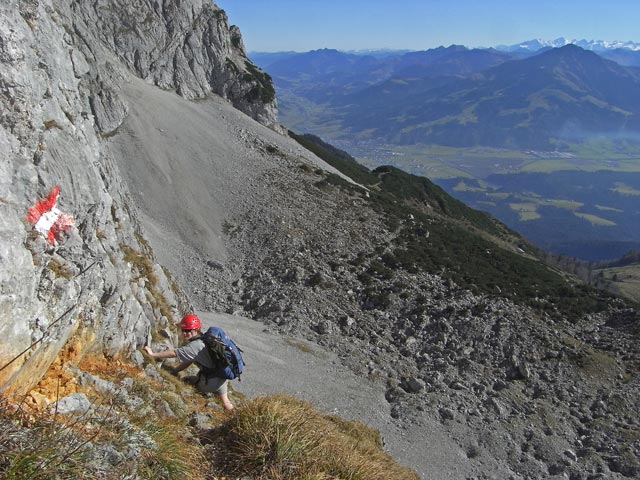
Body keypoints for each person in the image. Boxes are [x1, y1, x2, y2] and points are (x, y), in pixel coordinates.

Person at [144, 313, 234, 412]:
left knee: (187, 380)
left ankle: (207, 392)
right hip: (222, 377)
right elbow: (189, 360)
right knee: (226, 403)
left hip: (211, 381)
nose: (185, 333)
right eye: (183, 330)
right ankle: (235, 418)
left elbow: (173, 353)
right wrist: (176, 370)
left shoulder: (194, 346)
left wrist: (153, 355)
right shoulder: (205, 339)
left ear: (195, 330)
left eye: (188, 331)